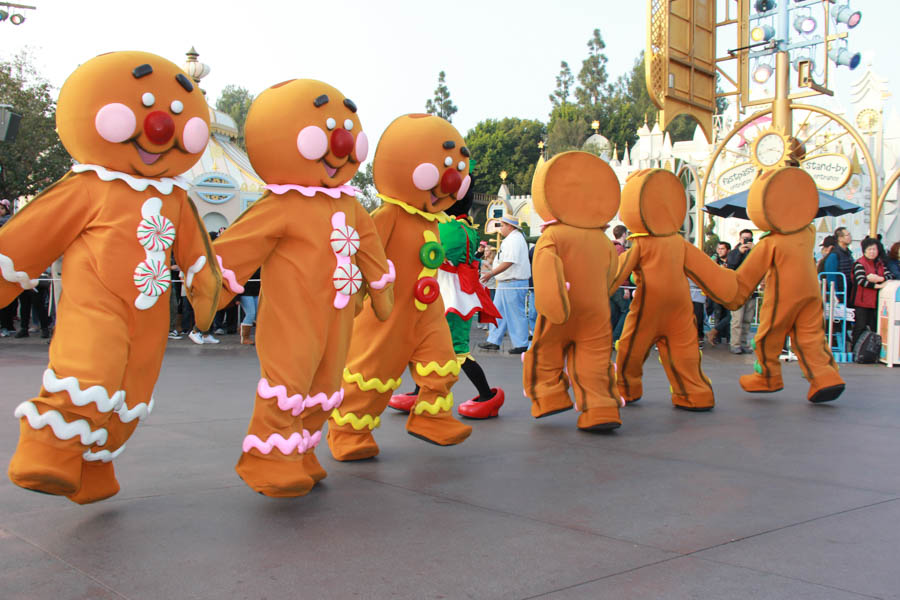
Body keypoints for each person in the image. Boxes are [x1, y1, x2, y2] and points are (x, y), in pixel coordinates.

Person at [478, 215, 531, 354]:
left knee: (515, 313)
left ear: (510, 226)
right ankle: (494, 340)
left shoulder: (514, 240)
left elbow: (509, 261)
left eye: (502, 225)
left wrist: (492, 273)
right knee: (498, 312)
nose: (500, 228)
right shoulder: (513, 239)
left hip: (513, 281)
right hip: (506, 282)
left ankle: (521, 343)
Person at [851, 237, 894, 347]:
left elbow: (890, 275)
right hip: (862, 302)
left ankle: (873, 351)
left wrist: (879, 279)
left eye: (874, 249)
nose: (872, 252)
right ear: (864, 251)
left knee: (876, 327)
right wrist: (878, 286)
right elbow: (861, 281)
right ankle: (855, 349)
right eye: (869, 249)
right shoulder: (859, 263)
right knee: (860, 326)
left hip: (877, 302)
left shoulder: (880, 264)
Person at [727, 229, 756, 354]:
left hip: (751, 290)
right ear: (740, 239)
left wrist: (755, 250)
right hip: (738, 290)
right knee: (737, 319)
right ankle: (735, 344)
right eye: (745, 238)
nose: (747, 241)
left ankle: (744, 343)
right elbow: (731, 265)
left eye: (749, 239)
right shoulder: (734, 252)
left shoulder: (754, 252)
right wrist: (739, 252)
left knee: (747, 319)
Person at [705, 241, 731, 345]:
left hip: (728, 292)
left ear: (728, 250)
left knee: (730, 316)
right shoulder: (714, 261)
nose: (720, 251)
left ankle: (716, 333)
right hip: (715, 292)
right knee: (717, 314)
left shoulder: (732, 261)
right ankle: (716, 336)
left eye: (722, 249)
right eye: (718, 249)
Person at [609, 224, 631, 341]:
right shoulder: (621, 250)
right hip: (620, 285)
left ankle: (608, 338)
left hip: (610, 285)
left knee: (613, 313)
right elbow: (623, 269)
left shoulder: (610, 248)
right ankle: (615, 337)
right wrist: (626, 287)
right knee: (626, 311)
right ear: (624, 234)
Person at [832, 226, 855, 304]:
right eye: (847, 235)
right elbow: (831, 277)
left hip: (849, 292)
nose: (850, 237)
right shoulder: (834, 255)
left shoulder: (849, 253)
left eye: (850, 234)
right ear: (840, 238)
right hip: (841, 294)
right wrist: (836, 296)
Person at [239, 268, 261, 345]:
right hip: (245, 292)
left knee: (258, 313)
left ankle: (244, 330)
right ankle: (245, 338)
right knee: (251, 313)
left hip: (256, 291)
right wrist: (236, 298)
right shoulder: (245, 265)